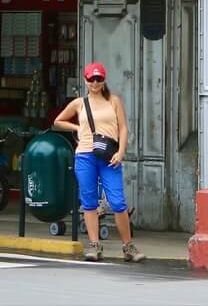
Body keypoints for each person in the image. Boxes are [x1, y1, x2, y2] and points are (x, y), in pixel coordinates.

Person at [53, 62, 144, 262]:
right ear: (85, 81)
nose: (95, 82)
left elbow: (123, 128)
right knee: (89, 202)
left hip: (109, 156)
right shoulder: (79, 103)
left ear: (104, 80)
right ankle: (95, 246)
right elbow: (58, 121)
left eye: (98, 79)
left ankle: (128, 246)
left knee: (118, 202)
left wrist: (121, 152)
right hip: (85, 155)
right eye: (91, 79)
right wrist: (76, 128)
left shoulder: (114, 101)